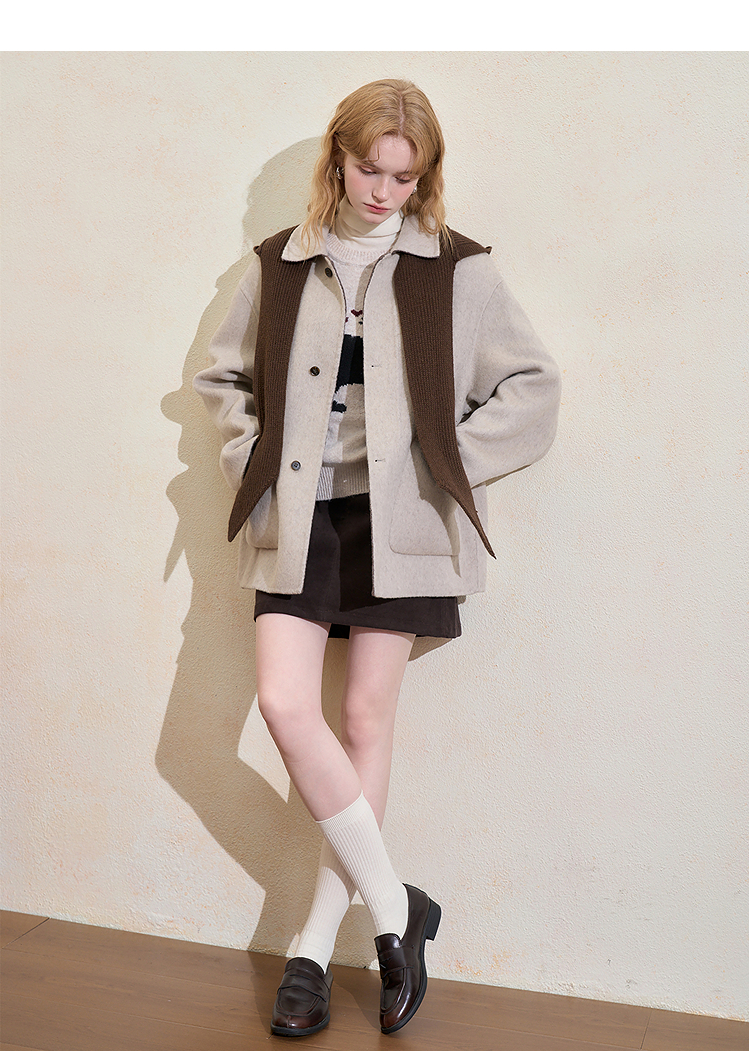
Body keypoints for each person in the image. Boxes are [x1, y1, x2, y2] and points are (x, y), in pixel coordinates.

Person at [194, 78, 561, 1038]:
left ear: (424, 176)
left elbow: (534, 386)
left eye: (405, 177)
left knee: (363, 720)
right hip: (300, 518)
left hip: (402, 531)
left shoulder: (460, 270)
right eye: (370, 170)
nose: (384, 192)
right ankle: (400, 909)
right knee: (286, 705)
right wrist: (250, 456)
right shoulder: (279, 264)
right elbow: (221, 377)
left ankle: (313, 951)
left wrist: (442, 463)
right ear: (339, 159)